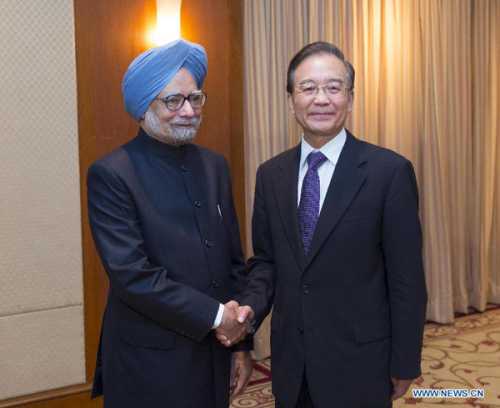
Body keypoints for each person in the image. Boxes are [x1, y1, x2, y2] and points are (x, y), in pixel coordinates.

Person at [234, 42, 427, 407]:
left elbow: (406, 278)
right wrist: (247, 314)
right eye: (307, 88)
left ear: (350, 99)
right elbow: (266, 262)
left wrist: (405, 361)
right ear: (290, 100)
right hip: (292, 363)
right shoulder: (271, 174)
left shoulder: (389, 172)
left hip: (360, 363)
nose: (320, 99)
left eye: (333, 87)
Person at [87, 39, 253, 408]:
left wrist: (240, 342)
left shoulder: (215, 166)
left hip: (214, 352)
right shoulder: (111, 174)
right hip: (149, 361)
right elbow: (134, 277)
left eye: (195, 98)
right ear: (144, 106)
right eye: (173, 100)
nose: (188, 111)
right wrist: (218, 318)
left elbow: (233, 263)